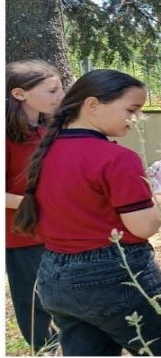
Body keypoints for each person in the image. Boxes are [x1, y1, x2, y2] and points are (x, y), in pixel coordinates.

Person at [13, 69, 161, 356]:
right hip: (115, 274)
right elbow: (143, 227)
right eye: (132, 109)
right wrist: (158, 201)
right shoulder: (118, 159)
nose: (137, 118)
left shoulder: (45, 152)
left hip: (54, 274)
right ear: (92, 105)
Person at [6, 60, 63, 353]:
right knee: (34, 305)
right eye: (52, 90)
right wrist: (35, 204)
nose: (60, 95)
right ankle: (45, 350)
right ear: (19, 94)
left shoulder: (45, 129)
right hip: (22, 235)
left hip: (56, 231)